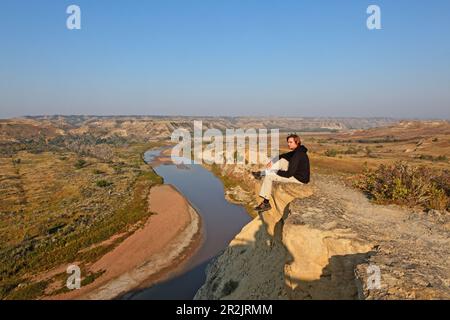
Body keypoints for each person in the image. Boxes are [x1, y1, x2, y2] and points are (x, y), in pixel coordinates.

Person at [252, 133, 310, 212]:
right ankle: (262, 173)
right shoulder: (298, 150)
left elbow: (289, 174)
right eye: (288, 142)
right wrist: (272, 161)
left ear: (297, 142)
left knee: (269, 177)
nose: (288, 144)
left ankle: (266, 203)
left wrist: (276, 171)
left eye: (291, 142)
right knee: (282, 161)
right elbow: (282, 156)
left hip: (299, 179)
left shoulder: (297, 154)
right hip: (297, 174)